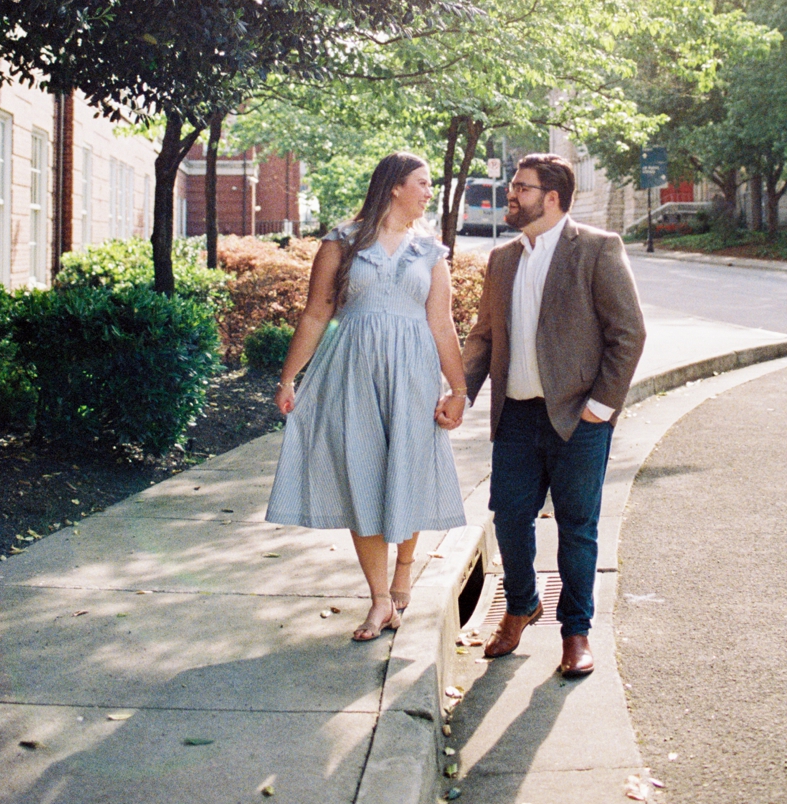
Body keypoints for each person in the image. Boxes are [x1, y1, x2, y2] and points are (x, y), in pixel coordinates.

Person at [267, 152, 468, 641]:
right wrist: (289, 377)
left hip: (414, 374)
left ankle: (404, 569)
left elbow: (441, 324)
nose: (428, 192)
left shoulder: (430, 253)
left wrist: (458, 389)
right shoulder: (342, 242)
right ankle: (379, 600)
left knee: (411, 468)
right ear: (394, 186)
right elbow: (318, 313)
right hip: (351, 372)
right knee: (363, 474)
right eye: (421, 183)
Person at [463, 153, 646, 677]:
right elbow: (484, 335)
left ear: (551, 197)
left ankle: (576, 632)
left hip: (578, 417)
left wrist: (601, 407)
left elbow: (627, 333)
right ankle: (522, 604)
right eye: (512, 187)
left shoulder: (596, 249)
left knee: (578, 526)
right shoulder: (502, 259)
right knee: (510, 518)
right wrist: (460, 392)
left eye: (520, 188)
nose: (510, 195)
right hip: (517, 416)